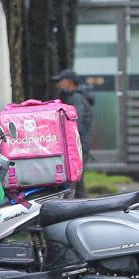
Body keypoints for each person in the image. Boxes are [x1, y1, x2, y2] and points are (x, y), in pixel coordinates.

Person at [53, 69, 94, 198]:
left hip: (78, 147)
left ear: (69, 82)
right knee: (78, 181)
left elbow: (76, 124)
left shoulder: (76, 99)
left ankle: (73, 209)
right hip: (79, 146)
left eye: (61, 81)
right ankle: (86, 209)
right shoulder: (75, 97)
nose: (58, 84)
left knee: (74, 181)